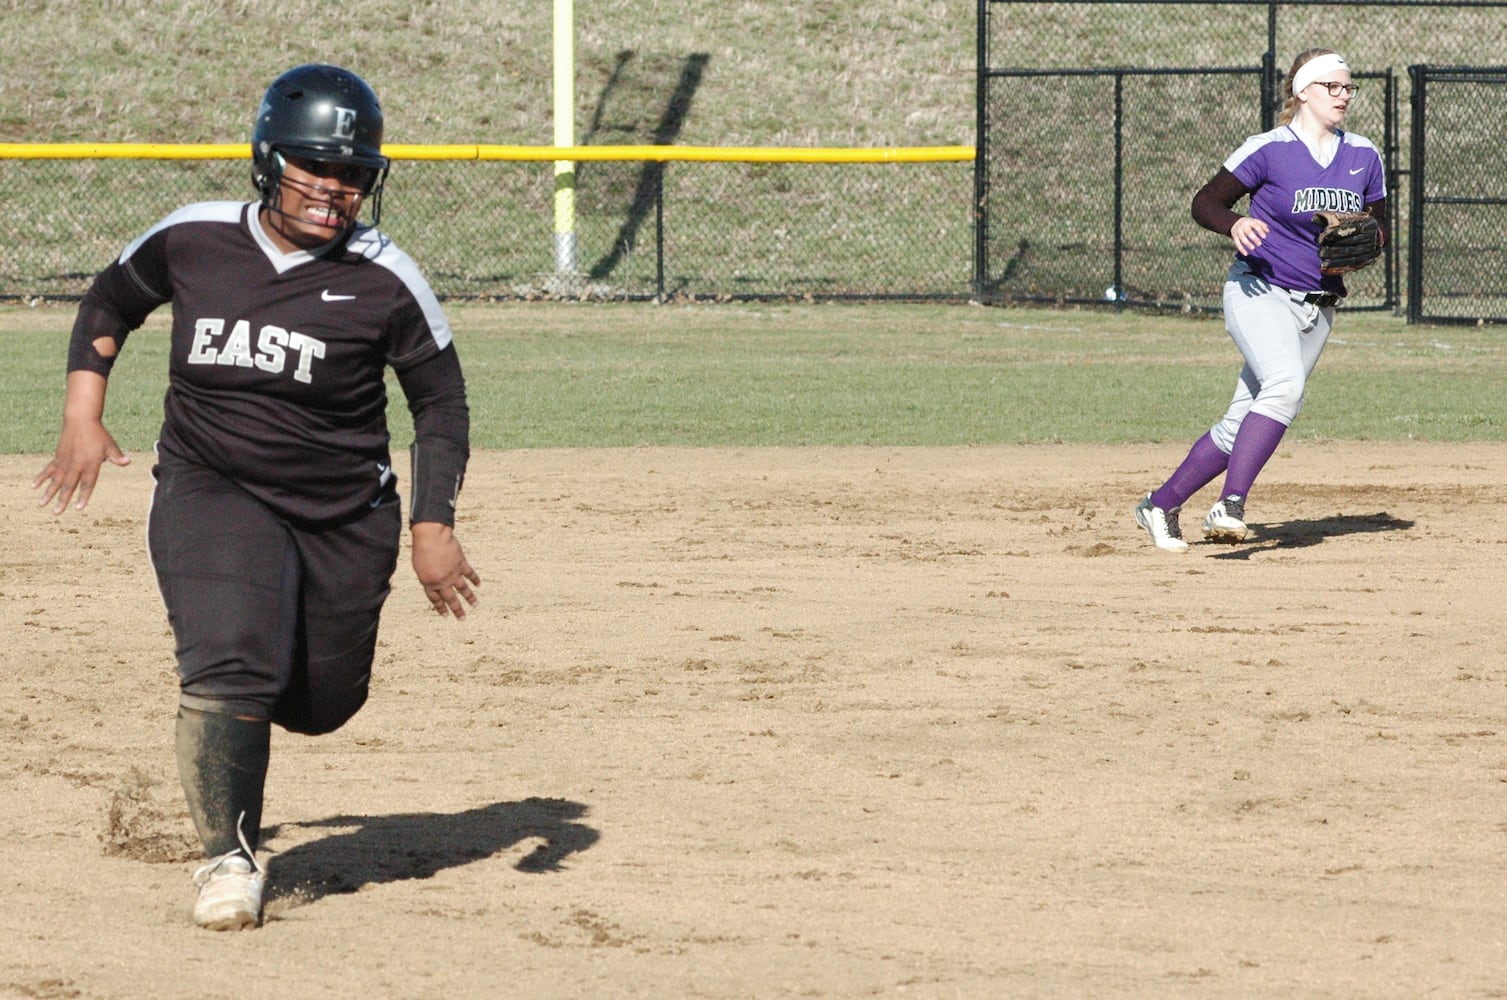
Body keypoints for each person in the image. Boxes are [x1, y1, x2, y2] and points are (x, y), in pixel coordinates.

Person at [32, 64, 481, 929]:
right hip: (213, 484)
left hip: (345, 512)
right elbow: (112, 300)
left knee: (318, 702)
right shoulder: (196, 236)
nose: (334, 190)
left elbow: (441, 401)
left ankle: (233, 729)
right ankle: (227, 859)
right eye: (315, 167)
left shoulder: (386, 275)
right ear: (269, 161)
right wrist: (82, 415)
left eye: (352, 174)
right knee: (233, 660)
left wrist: (433, 527)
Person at [1134, 48, 1386, 553]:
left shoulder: (1363, 155)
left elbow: (1380, 230)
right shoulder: (1269, 149)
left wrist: (1370, 244)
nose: (1344, 96)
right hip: (1259, 289)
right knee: (1286, 387)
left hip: (1319, 307)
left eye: (1348, 88)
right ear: (1303, 92)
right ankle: (1230, 505)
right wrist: (1235, 223)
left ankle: (1159, 504)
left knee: (1245, 417)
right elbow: (1205, 202)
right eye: (1332, 87)